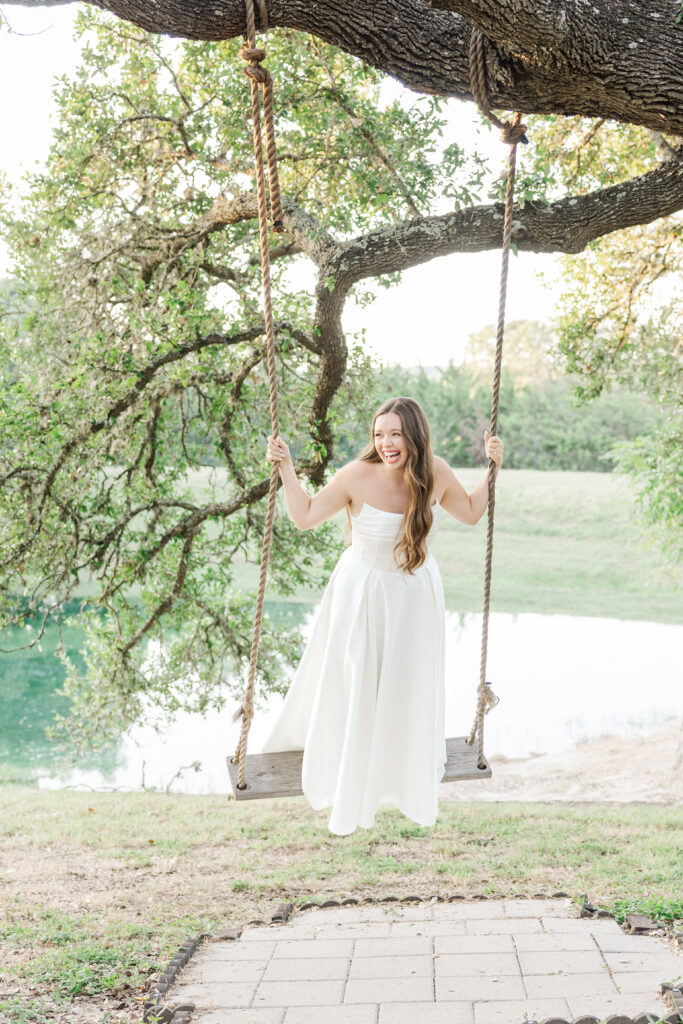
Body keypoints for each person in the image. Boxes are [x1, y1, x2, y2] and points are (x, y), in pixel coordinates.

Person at [262, 396, 504, 835]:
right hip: (364, 591)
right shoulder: (356, 475)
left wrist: (492, 470)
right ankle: (352, 768)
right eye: (379, 434)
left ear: (413, 434)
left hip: (414, 596)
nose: (386, 443)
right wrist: (286, 469)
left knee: (404, 684)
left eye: (395, 434)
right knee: (357, 679)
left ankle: (398, 771)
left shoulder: (435, 472)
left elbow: (470, 513)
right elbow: (305, 515)